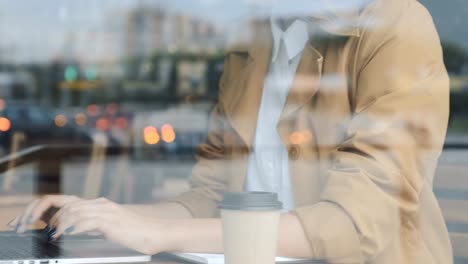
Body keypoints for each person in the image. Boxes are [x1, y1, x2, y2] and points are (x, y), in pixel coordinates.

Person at [9, 0, 453, 263]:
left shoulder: (394, 24)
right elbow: (211, 197)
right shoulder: (253, 44)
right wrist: (108, 216)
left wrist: (156, 234)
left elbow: (353, 225)